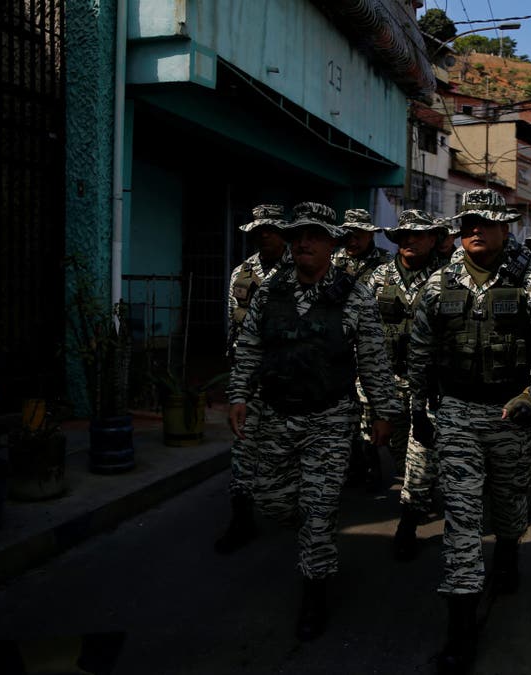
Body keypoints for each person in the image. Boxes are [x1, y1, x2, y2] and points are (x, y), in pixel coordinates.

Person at [407, 189, 531, 674]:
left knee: (510, 502)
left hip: (509, 414)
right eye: (468, 223)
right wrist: (418, 410)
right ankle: (460, 628)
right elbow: (419, 351)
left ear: (504, 228)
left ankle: (510, 550)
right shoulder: (438, 283)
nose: (475, 230)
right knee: (461, 518)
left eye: (485, 222)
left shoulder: (528, 280)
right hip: (457, 413)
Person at [225, 202, 399, 642]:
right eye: (298, 235)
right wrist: (239, 395)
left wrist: (383, 411)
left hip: (329, 419)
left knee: (318, 513)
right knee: (271, 499)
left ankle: (314, 592)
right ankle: (310, 530)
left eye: (315, 235)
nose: (304, 242)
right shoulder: (271, 289)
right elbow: (250, 346)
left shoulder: (354, 296)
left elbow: (373, 359)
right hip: (275, 414)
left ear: (331, 244)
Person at [367, 209, 450, 560]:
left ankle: (408, 521)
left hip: (428, 384)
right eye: (404, 235)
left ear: (433, 239)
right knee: (399, 448)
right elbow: (363, 330)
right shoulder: (379, 276)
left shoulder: (448, 277)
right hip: (386, 379)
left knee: (422, 452)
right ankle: (418, 492)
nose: (410, 240)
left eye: (418, 234)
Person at [216, 204, 291, 555]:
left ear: (283, 233)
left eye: (271, 230)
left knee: (287, 448)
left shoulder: (301, 269)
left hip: (289, 378)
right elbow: (233, 322)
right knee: (244, 448)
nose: (265, 236)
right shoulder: (241, 272)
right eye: (259, 231)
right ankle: (241, 516)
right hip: (250, 376)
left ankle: (297, 508)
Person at [333, 208, 393, 488]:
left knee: (369, 408)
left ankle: (371, 461)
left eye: (358, 235)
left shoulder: (385, 263)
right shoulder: (333, 262)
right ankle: (351, 461)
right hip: (342, 347)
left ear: (370, 235)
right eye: (348, 235)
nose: (353, 240)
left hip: (373, 345)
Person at [333, 207, 392, 286]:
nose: (352, 243)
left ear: (370, 236)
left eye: (357, 237)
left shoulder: (386, 260)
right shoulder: (333, 259)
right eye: (348, 237)